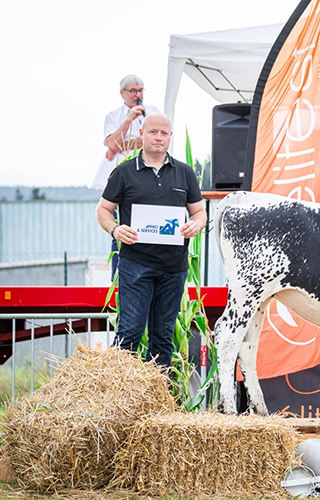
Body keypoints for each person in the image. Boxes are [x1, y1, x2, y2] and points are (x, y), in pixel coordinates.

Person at [95, 113, 206, 368]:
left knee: (163, 337)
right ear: (142, 134)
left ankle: (159, 392)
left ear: (170, 137)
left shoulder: (185, 173)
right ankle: (121, 390)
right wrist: (115, 229)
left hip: (173, 268)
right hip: (135, 264)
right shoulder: (124, 172)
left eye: (164, 133)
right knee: (129, 334)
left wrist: (196, 224)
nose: (158, 137)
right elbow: (103, 210)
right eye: (153, 132)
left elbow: (199, 212)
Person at [94, 75, 160, 278]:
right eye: (133, 91)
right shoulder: (113, 116)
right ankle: (118, 279)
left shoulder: (153, 112)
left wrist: (120, 145)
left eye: (140, 90)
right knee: (120, 232)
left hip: (148, 180)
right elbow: (112, 144)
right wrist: (129, 120)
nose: (137, 95)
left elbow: (155, 143)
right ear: (122, 93)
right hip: (122, 182)